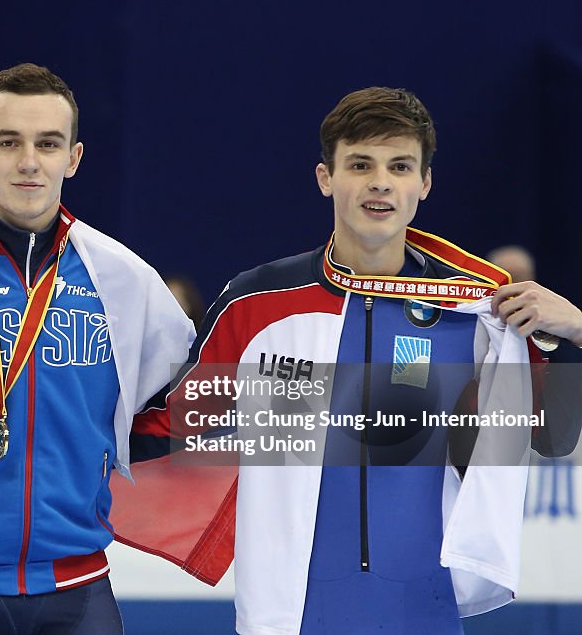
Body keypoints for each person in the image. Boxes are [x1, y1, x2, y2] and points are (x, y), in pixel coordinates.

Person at [114, 87, 582, 634]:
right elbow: (170, 427)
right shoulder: (258, 305)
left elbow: (553, 437)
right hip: (290, 616)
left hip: (423, 612)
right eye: (360, 164)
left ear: (424, 184)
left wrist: (570, 331)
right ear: (325, 177)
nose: (380, 181)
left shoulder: (470, 310)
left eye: (400, 165)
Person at [0, 63, 194, 634]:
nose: (29, 162)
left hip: (77, 585)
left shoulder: (126, 280)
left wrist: (89, 467)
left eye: (48, 144)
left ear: (73, 157)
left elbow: (178, 407)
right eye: (9, 142)